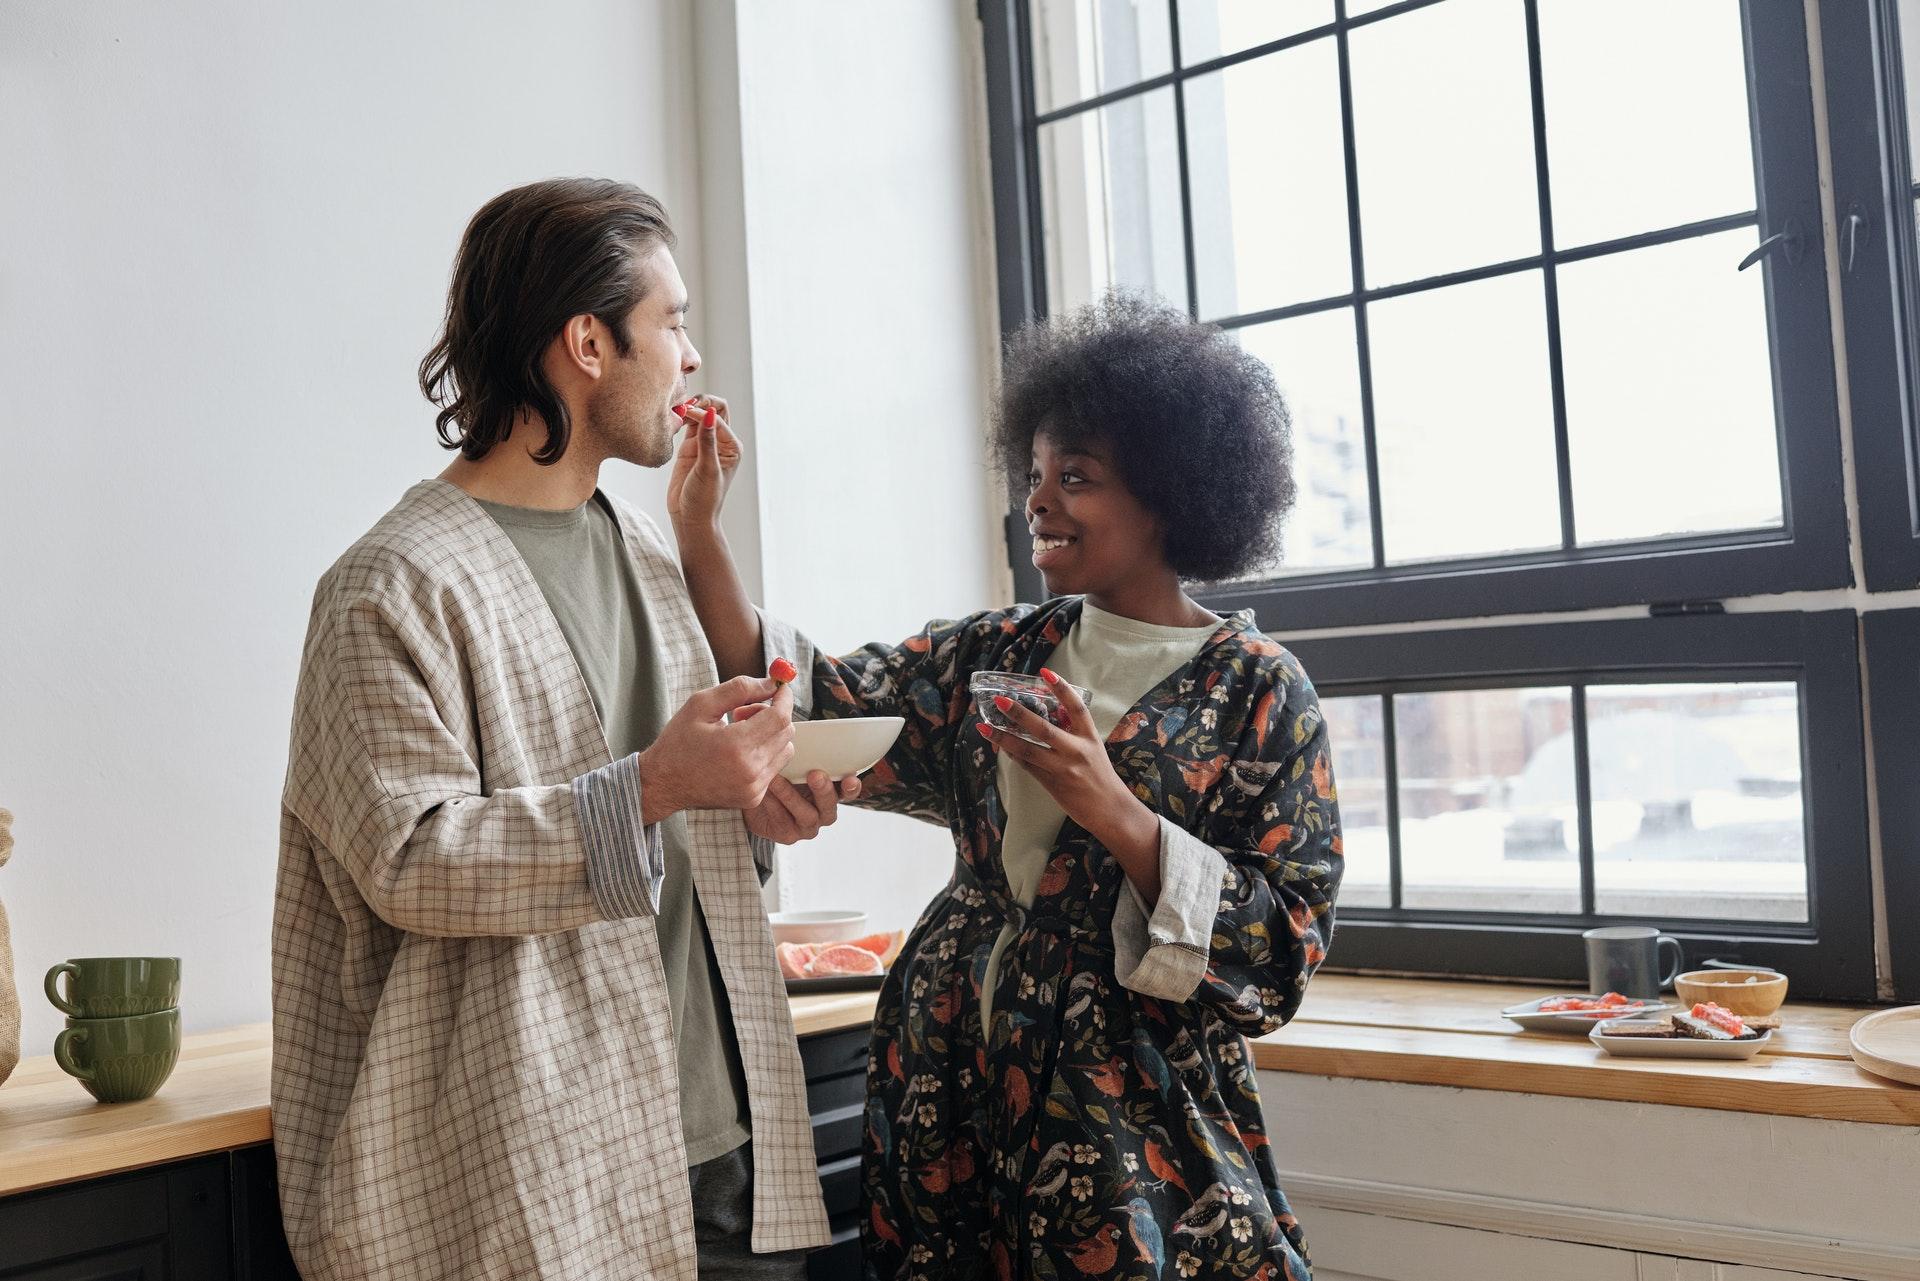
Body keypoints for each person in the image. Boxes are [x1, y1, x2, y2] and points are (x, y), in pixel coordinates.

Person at [671, 293, 1344, 1280]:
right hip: (947, 1075)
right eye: (1034, 475)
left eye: (1078, 477)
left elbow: (1284, 943)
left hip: (1123, 1104)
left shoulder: (1259, 689)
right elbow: (808, 705)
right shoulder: (1001, 653)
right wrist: (699, 535)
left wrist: (1114, 810)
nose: (1040, 500)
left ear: (1170, 492)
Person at [272, 177, 855, 1280]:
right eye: (672, 321)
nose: (689, 357)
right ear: (588, 343)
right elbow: (412, 862)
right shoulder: (388, 588)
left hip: (724, 1153)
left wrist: (754, 802)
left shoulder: (644, 549)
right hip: (538, 1179)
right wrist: (652, 786)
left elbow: (676, 840)